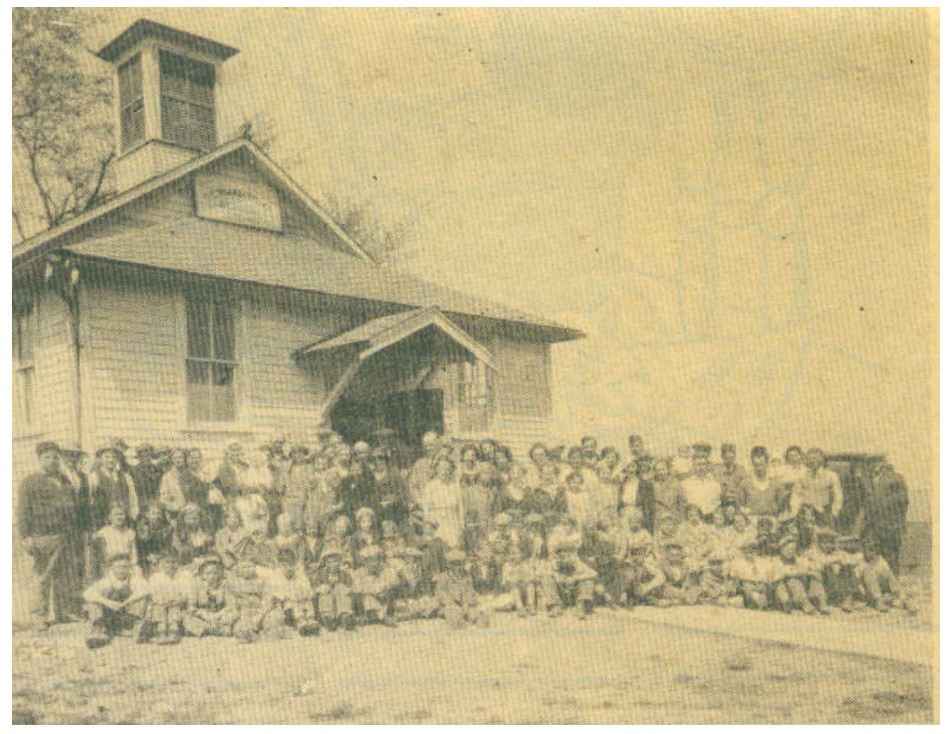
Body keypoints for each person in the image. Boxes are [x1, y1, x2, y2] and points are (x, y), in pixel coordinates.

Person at [17, 441, 83, 630]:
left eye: (55, 457)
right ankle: (39, 615)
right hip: (43, 535)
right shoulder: (30, 481)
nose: (52, 460)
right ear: (39, 459)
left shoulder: (64, 480)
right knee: (43, 575)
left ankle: (63, 612)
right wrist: (25, 536)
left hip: (66, 535)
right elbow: (22, 511)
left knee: (64, 575)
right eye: (48, 457)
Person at [83, 554, 149, 649]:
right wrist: (108, 603)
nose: (122, 570)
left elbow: (145, 590)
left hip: (128, 616)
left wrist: (126, 602)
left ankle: (137, 629)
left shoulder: (134, 579)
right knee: (94, 601)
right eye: (118, 567)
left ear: (129, 568)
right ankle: (98, 631)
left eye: (125, 567)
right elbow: (87, 593)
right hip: (110, 617)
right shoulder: (106, 582)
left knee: (142, 599)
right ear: (112, 568)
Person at [863, 462, 910, 575]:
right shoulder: (876, 479)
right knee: (880, 555)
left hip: (890, 525)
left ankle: (892, 584)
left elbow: (903, 501)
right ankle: (885, 583)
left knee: (890, 555)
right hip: (878, 524)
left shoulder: (894, 479)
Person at [539, 533, 597, 619]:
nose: (565, 555)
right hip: (560, 595)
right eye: (561, 552)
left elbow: (593, 574)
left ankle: (581, 607)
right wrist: (557, 577)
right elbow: (541, 573)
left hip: (575, 594)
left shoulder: (577, 563)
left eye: (568, 552)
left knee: (588, 581)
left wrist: (575, 578)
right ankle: (555, 606)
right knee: (546, 579)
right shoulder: (553, 564)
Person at [144, 554, 193, 645]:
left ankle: (173, 631)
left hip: (178, 605)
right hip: (160, 604)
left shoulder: (184, 576)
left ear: (178, 564)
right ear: (161, 564)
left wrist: (177, 600)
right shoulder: (155, 577)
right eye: (167, 562)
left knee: (174, 608)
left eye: (173, 562)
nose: (170, 566)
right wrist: (161, 600)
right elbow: (152, 594)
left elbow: (186, 594)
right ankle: (161, 631)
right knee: (158, 607)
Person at [434, 549, 489, 628]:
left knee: (480, 618)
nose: (458, 568)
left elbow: (470, 591)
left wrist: (467, 603)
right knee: (455, 618)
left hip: (464, 604)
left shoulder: (467, 577)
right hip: (449, 606)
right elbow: (441, 594)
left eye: (460, 564)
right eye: (455, 564)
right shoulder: (443, 577)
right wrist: (452, 604)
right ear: (450, 565)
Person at [789, 448, 843, 526]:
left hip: (824, 512)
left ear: (821, 460)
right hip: (806, 512)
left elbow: (838, 495)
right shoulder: (802, 476)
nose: (812, 461)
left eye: (815, 458)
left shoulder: (831, 475)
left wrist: (834, 512)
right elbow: (795, 494)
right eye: (809, 459)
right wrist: (794, 510)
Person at [90, 446, 139, 529]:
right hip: (102, 522)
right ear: (101, 458)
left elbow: (133, 499)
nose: (110, 460)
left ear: (118, 459)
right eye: (107, 457)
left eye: (114, 457)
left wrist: (133, 518)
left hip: (122, 521)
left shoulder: (126, 477)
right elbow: (91, 501)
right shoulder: (94, 477)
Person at [420, 457, 464, 549]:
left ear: (451, 470)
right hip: (436, 523)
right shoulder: (430, 486)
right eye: (441, 469)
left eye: (447, 469)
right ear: (436, 469)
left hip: (452, 522)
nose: (444, 472)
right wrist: (429, 527)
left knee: (454, 550)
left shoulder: (455, 486)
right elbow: (426, 510)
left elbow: (460, 509)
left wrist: (461, 526)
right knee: (439, 549)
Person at [350, 545, 400, 626]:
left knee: (392, 592)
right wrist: (373, 590)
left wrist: (386, 586)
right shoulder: (359, 572)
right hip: (367, 600)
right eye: (370, 560)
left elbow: (395, 582)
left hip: (383, 599)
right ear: (365, 562)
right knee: (359, 596)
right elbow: (355, 588)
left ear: (379, 560)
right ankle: (364, 616)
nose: (373, 564)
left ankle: (387, 616)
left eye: (375, 560)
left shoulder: (386, 570)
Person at [312, 541, 356, 631]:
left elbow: (351, 586)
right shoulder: (320, 574)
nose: (332, 565)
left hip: (339, 600)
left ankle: (344, 617)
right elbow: (314, 587)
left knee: (341, 589)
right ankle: (327, 618)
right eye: (329, 562)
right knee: (325, 592)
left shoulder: (344, 574)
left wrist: (344, 588)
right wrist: (320, 588)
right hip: (327, 602)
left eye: (335, 562)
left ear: (339, 562)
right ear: (325, 563)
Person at [91, 505, 138, 579]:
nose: (119, 517)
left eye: (121, 514)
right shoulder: (103, 532)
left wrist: (134, 566)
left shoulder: (130, 533)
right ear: (110, 517)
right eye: (116, 514)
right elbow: (95, 549)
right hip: (110, 566)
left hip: (127, 565)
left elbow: (133, 552)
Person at [680, 443, 721, 518]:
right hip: (693, 519)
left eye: (703, 464)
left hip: (710, 519)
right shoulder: (685, 484)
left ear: (707, 465)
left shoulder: (715, 484)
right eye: (698, 464)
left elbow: (717, 504)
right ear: (693, 465)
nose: (701, 467)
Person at [745, 446, 784, 517]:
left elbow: (782, 506)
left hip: (773, 521)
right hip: (752, 522)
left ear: (767, 464)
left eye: (762, 464)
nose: (759, 468)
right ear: (752, 465)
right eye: (756, 465)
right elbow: (741, 505)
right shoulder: (745, 484)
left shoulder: (776, 483)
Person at [407, 431, 442, 506]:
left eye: (431, 445)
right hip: (423, 506)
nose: (428, 448)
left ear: (439, 445)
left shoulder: (445, 463)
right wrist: (420, 501)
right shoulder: (419, 464)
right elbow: (413, 486)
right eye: (426, 445)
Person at [651, 458, 685, 523]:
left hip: (673, 518)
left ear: (667, 470)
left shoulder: (676, 483)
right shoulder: (652, 484)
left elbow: (682, 502)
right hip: (657, 518)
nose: (660, 472)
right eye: (658, 470)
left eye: (663, 469)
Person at [158, 448, 188, 517]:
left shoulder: (188, 474)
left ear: (184, 459)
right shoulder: (167, 476)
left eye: (180, 457)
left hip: (187, 511)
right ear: (172, 460)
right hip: (173, 511)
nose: (178, 460)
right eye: (175, 458)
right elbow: (163, 495)